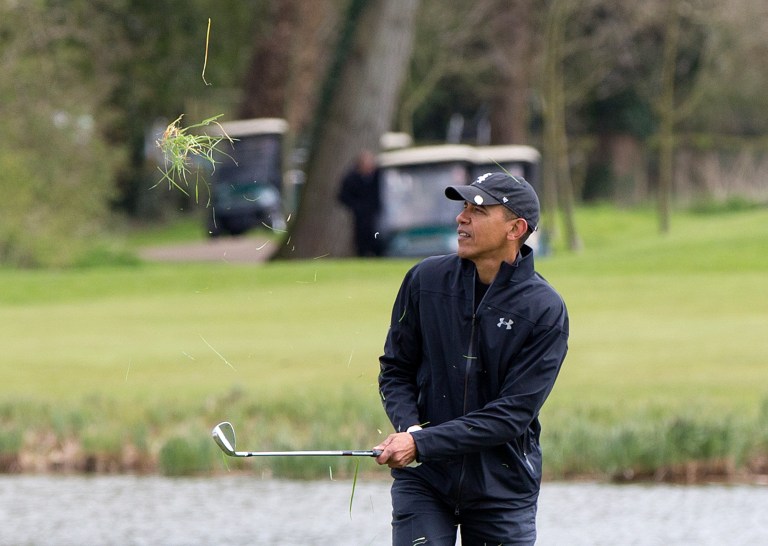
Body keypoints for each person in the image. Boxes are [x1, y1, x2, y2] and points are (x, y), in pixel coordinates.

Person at [374, 172, 569, 545]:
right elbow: (396, 370)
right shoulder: (425, 280)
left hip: (502, 488)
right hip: (425, 479)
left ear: (515, 228)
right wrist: (411, 430)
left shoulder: (544, 310)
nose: (461, 218)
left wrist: (422, 443)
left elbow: (510, 416)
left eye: (478, 210)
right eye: (463, 207)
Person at [337, 149, 382, 256]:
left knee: (378, 234)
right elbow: (343, 196)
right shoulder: (351, 179)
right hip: (361, 216)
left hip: (378, 213)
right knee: (362, 236)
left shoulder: (379, 176)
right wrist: (357, 207)